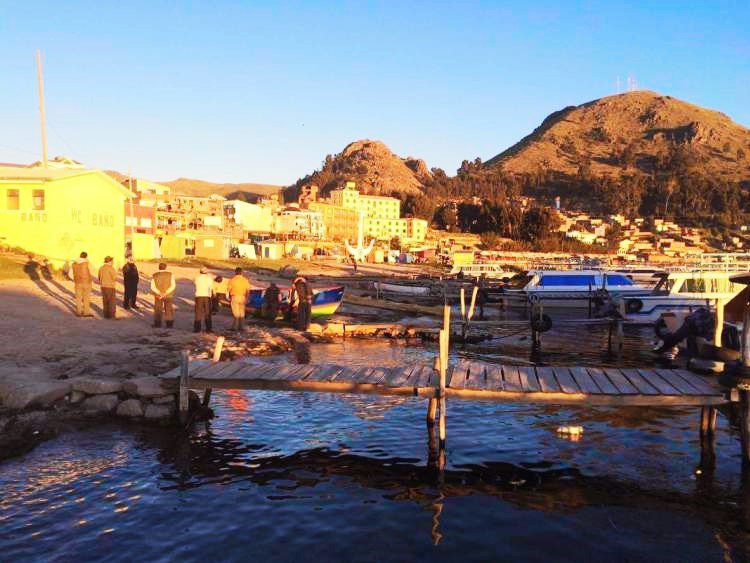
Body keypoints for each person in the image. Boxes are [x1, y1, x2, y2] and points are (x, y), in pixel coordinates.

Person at [150, 262, 176, 328]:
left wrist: (159, 293)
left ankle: (157, 324)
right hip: (168, 295)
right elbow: (173, 285)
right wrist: (166, 292)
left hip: (158, 295)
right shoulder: (170, 274)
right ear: (166, 267)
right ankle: (169, 324)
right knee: (168, 309)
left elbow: (152, 287)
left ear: (159, 267)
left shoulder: (154, 275)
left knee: (158, 309)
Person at [71, 251, 94, 317]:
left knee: (78, 298)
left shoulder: (74, 264)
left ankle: (78, 312)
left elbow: (70, 274)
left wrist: (75, 280)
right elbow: (92, 271)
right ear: (86, 256)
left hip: (77, 283)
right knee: (86, 298)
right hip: (87, 282)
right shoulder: (87, 263)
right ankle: (86, 312)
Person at [194, 267, 214, 333]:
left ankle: (197, 329)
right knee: (207, 313)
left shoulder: (197, 278)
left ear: (200, 271)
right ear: (206, 272)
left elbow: (195, 284)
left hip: (199, 296)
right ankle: (208, 329)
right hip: (207, 296)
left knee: (198, 313)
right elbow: (211, 287)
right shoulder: (209, 278)